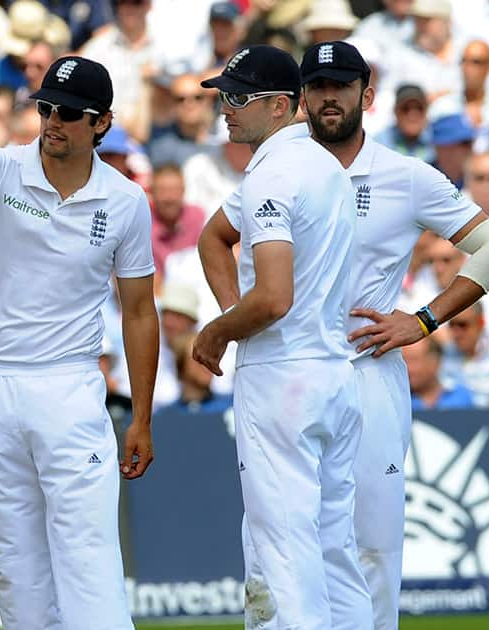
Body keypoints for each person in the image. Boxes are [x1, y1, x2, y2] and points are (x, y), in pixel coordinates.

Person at [0, 55, 159, 629]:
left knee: (87, 556)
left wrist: (140, 416)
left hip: (69, 385)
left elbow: (139, 312)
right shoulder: (6, 168)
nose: (52, 122)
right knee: (13, 563)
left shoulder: (125, 200)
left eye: (68, 112)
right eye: (44, 109)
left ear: (102, 123)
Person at [298, 41, 489, 630]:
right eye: (317, 86)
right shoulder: (278, 169)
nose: (328, 98)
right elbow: (219, 236)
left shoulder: (405, 176)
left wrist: (421, 320)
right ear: (302, 97)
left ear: (366, 95)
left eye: (341, 86)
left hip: (368, 372)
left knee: (373, 541)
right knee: (296, 542)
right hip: (291, 374)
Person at [193, 45, 373, 630]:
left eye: (236, 97)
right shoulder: (326, 164)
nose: (225, 108)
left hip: (282, 376)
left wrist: (220, 329)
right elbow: (213, 238)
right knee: (333, 545)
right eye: (223, 95)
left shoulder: (272, 173)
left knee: (284, 548)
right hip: (334, 373)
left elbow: (272, 298)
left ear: (278, 107)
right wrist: (235, 312)